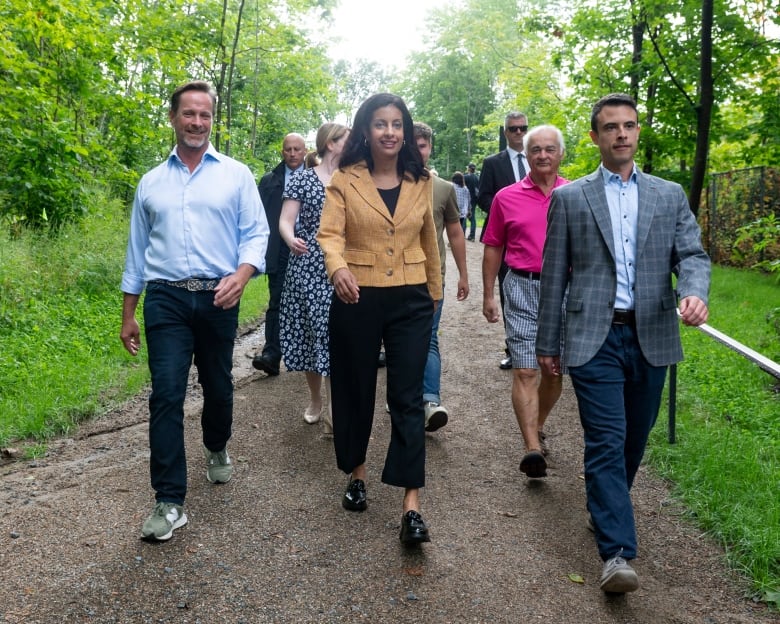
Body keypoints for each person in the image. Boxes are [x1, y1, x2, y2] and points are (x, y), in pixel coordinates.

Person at [536, 93, 710, 594]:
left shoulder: (668, 194)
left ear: (637, 132)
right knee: (607, 441)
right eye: (610, 127)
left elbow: (692, 254)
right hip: (594, 336)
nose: (621, 134)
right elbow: (553, 276)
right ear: (595, 137)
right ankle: (616, 553)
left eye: (629, 125)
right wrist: (548, 342)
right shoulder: (571, 198)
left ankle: (606, 507)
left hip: (652, 332)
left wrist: (695, 292)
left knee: (635, 439)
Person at [120, 80, 269, 542]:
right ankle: (169, 501)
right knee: (165, 394)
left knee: (218, 386)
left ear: (212, 120)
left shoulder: (236, 174)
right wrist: (128, 313)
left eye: (205, 115)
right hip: (165, 298)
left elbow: (256, 234)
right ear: (173, 118)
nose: (197, 122)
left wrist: (242, 276)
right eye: (189, 114)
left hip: (219, 296)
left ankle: (216, 446)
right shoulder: (151, 182)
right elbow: (136, 252)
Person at [317, 93, 442, 545]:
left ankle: (412, 507)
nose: (389, 132)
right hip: (357, 296)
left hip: (410, 299)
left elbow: (429, 238)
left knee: (407, 398)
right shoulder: (344, 181)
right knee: (355, 391)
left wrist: (434, 292)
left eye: (397, 124)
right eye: (380, 124)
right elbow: (329, 234)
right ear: (365, 131)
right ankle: (357, 475)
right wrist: (339, 268)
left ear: (405, 131)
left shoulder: (421, 180)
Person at [482, 125, 569, 479]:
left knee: (554, 370)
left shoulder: (576, 194)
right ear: (526, 155)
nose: (543, 155)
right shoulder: (507, 197)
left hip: (565, 289)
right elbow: (493, 246)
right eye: (536, 150)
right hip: (520, 286)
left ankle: (539, 424)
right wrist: (489, 294)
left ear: (560, 154)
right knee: (525, 368)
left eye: (550, 149)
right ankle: (531, 446)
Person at [278, 123, 349, 434]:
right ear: (330, 144)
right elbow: (285, 220)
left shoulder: (352, 179)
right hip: (307, 267)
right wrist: (290, 239)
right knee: (310, 336)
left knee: (334, 334)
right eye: (347, 140)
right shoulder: (303, 179)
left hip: (343, 266)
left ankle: (335, 409)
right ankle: (316, 399)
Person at [413, 122, 469, 432]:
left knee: (429, 338)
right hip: (395, 278)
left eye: (422, 145)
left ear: (430, 148)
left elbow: (456, 232)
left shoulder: (444, 188)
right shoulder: (389, 183)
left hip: (432, 278)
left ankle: (430, 401)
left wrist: (463, 274)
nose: (417, 150)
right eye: (413, 144)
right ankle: (404, 394)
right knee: (398, 341)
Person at [478, 112, 530, 370]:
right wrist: (509, 214)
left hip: (537, 239)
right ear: (506, 132)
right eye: (513, 129)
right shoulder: (493, 163)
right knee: (510, 291)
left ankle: (542, 346)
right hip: (506, 237)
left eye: (523, 128)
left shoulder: (540, 157)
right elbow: (484, 197)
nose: (519, 133)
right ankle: (515, 348)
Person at [252, 132, 307, 376]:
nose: (293, 154)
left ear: (305, 151)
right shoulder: (270, 180)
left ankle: (310, 354)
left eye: (297, 149)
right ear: (282, 152)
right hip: (279, 251)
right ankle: (271, 355)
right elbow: (259, 217)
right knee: (277, 301)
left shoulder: (317, 176)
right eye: (288, 149)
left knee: (309, 303)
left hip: (310, 250)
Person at [464, 163, 479, 241]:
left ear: (469, 169)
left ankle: (462, 234)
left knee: (464, 216)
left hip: (466, 199)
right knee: (472, 217)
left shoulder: (465, 177)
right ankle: (472, 236)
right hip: (474, 200)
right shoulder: (477, 178)